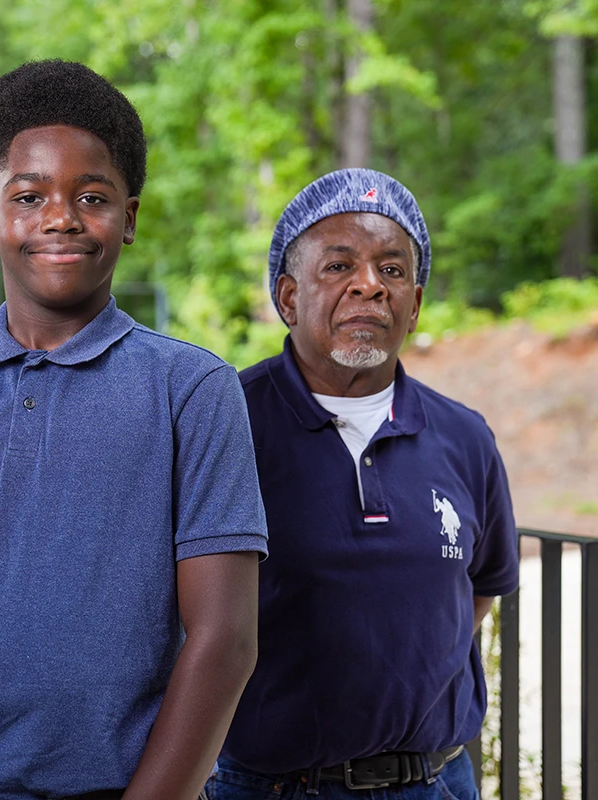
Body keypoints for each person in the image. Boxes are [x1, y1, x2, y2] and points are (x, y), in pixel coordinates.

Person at [0, 60, 268, 800]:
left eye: (92, 196)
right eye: (29, 195)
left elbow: (225, 642)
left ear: (129, 218)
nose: (60, 217)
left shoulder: (192, 391)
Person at [207, 169, 518, 800]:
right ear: (288, 297)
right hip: (272, 788)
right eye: (339, 265)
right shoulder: (222, 424)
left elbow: (480, 589)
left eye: (393, 270)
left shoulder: (465, 438)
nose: (370, 286)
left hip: (439, 782)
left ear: (417, 302)